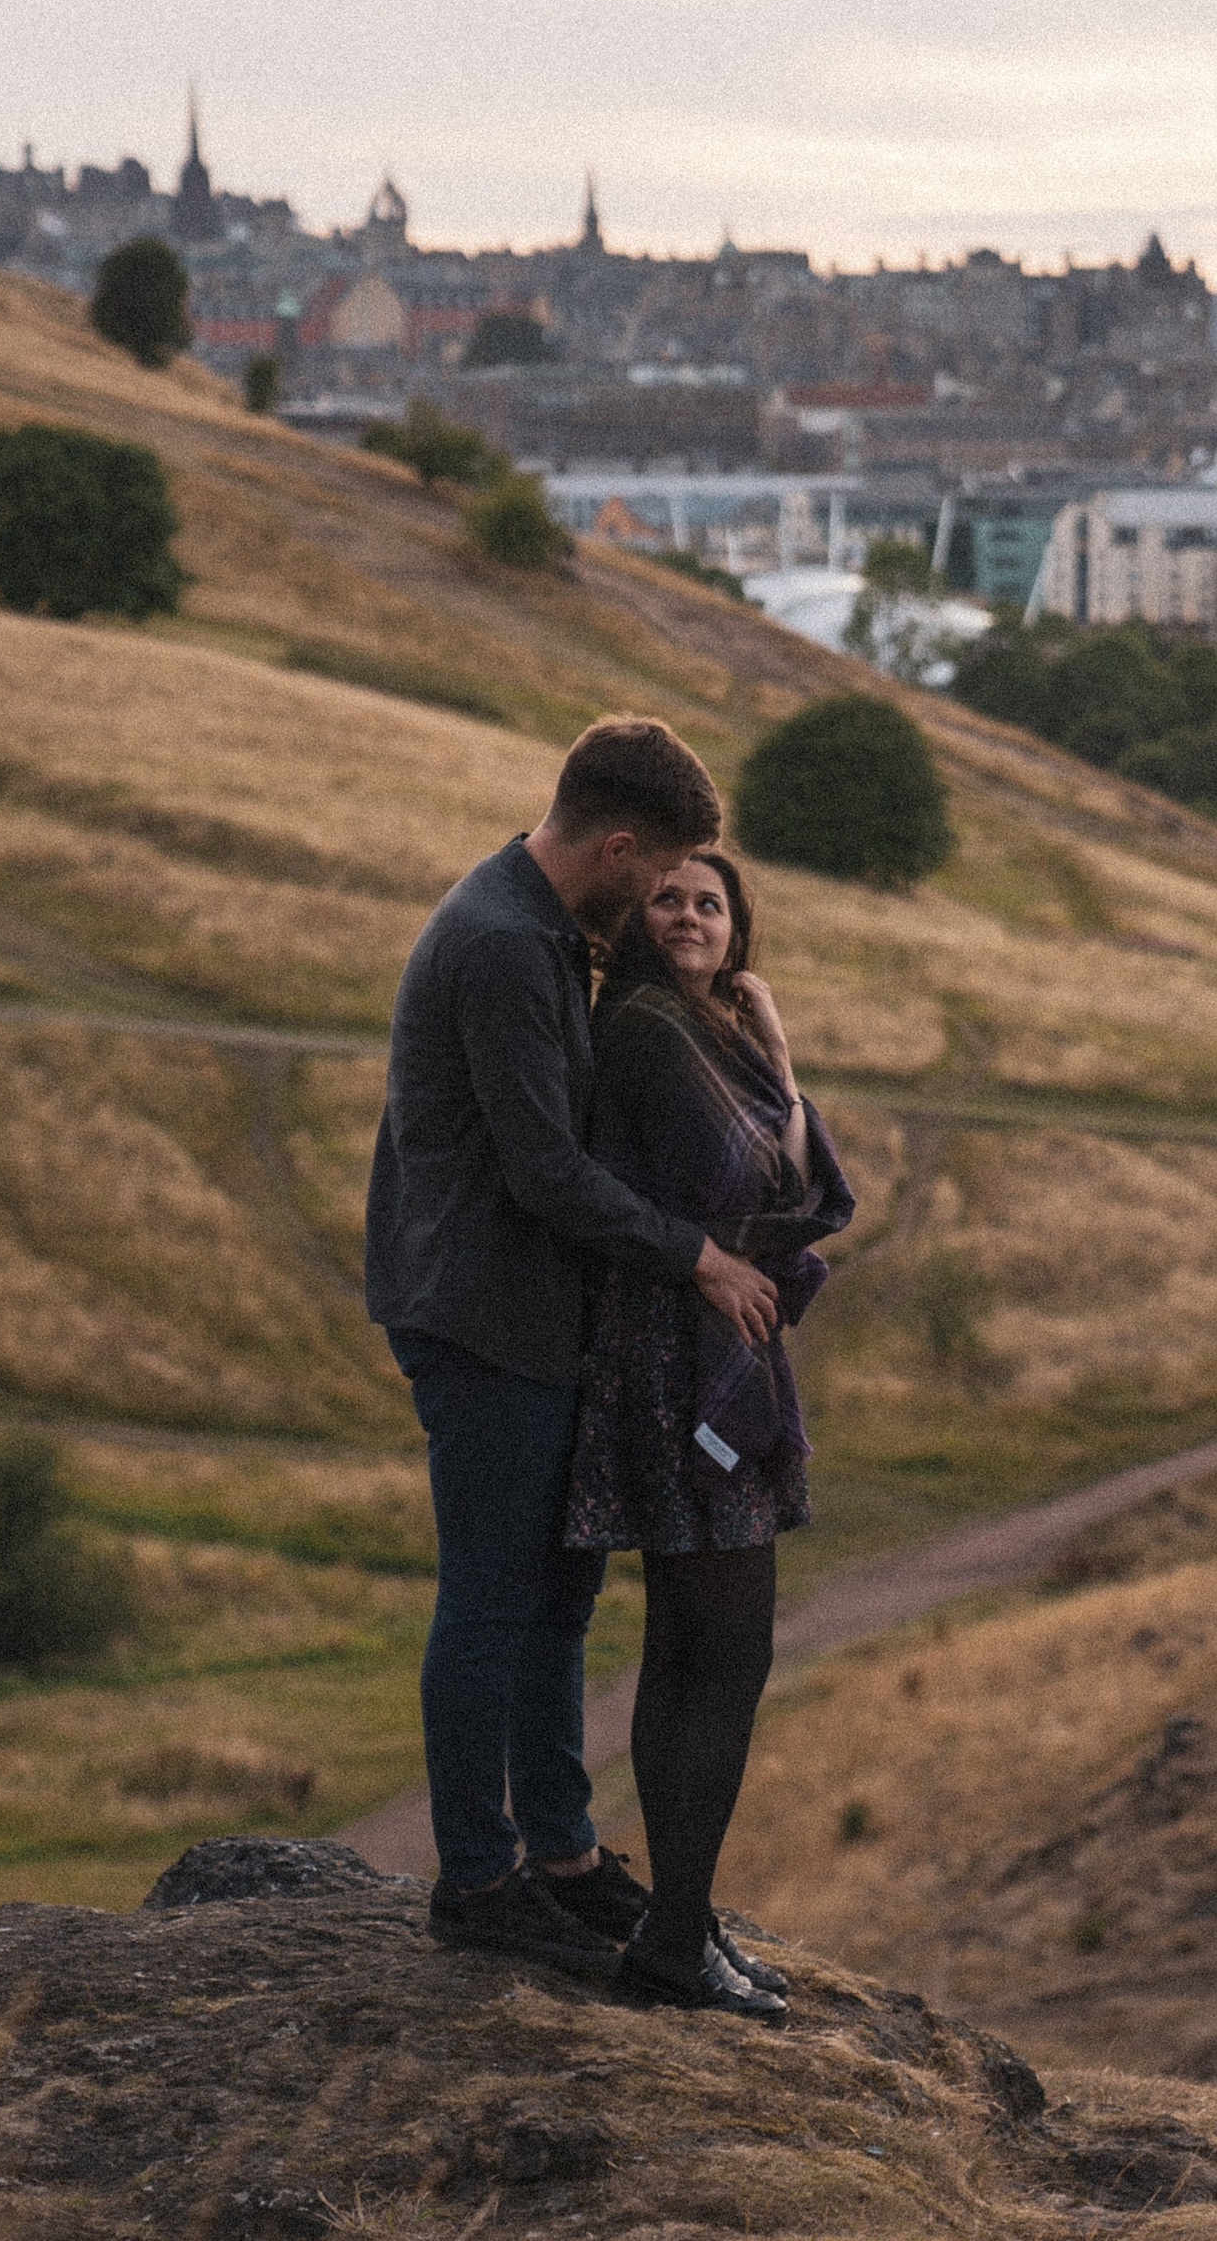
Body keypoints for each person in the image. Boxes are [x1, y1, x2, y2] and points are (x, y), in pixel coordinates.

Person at [365, 718, 781, 1986]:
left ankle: (560, 1850)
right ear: (613, 843)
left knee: (556, 1599)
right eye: (653, 875)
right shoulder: (500, 942)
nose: (658, 900)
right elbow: (544, 1170)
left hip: (528, 1313)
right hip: (481, 1311)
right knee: (491, 1602)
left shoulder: (543, 929)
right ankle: (477, 1879)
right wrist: (700, 1257)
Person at [566, 850, 853, 2016]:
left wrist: (774, 1053)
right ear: (633, 918)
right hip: (677, 1360)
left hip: (687, 1347)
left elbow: (788, 1186)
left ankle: (679, 1927)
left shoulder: (703, 1031)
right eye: (668, 897)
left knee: (693, 1647)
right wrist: (781, 1084)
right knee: (721, 1652)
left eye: (710, 902)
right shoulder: (645, 1026)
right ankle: (677, 1935)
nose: (687, 914)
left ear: (738, 930)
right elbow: (770, 1186)